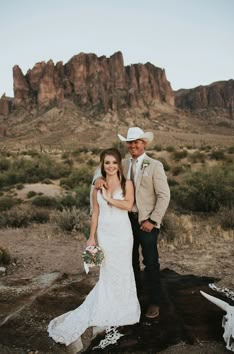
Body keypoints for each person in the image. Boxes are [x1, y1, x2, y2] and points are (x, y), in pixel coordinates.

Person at [48, 148, 140, 351]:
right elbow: (95, 214)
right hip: (105, 235)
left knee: (123, 269)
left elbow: (128, 205)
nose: (111, 166)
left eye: (114, 162)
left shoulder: (127, 184)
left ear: (119, 165)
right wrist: (91, 238)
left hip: (123, 234)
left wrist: (109, 198)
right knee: (108, 272)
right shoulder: (96, 186)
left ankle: (124, 307)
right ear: (102, 164)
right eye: (107, 162)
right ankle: (107, 305)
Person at [94, 127, 170, 319]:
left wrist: (153, 220)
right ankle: (134, 297)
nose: (133, 145)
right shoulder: (124, 163)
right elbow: (102, 169)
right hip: (125, 221)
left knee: (151, 262)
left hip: (146, 222)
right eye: (130, 142)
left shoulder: (155, 165)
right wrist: (98, 179)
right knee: (130, 261)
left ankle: (154, 301)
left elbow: (164, 196)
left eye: (136, 142)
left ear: (144, 143)